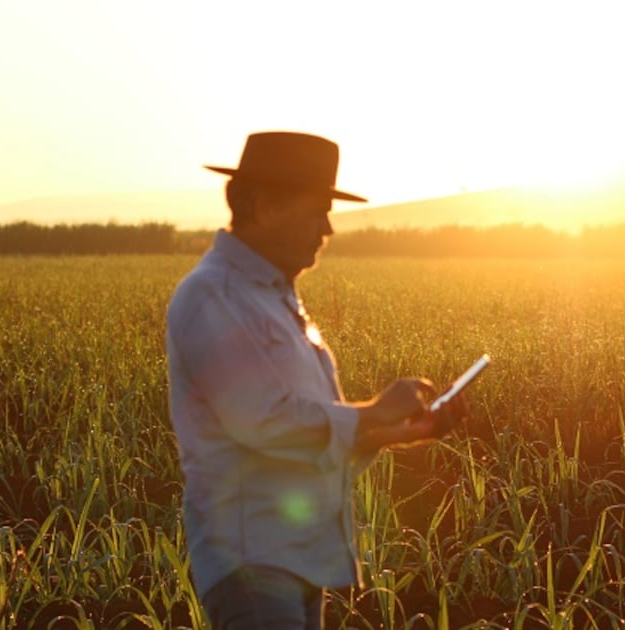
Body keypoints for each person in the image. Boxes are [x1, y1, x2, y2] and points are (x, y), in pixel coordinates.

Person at [165, 131, 467, 629]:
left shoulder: (275, 300)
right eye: (316, 210)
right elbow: (262, 422)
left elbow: (309, 437)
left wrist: (404, 432)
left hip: (298, 559)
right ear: (262, 204)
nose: (327, 228)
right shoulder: (212, 296)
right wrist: (375, 411)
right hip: (253, 561)